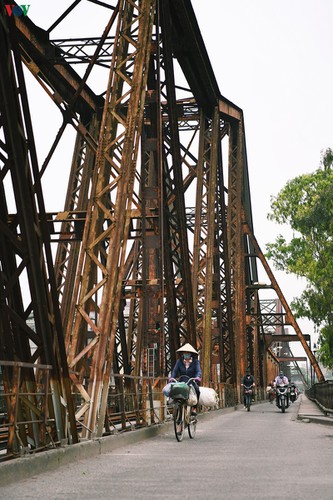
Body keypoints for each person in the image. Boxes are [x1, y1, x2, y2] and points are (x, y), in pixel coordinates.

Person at [170, 343, 201, 416]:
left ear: (191, 354)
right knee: (174, 390)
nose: (186, 354)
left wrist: (197, 377)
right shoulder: (179, 361)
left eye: (188, 353)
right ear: (183, 354)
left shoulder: (195, 362)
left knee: (197, 390)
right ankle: (176, 407)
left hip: (191, 382)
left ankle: (194, 408)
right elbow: (175, 370)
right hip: (181, 382)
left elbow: (198, 371)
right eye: (185, 353)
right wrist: (172, 377)